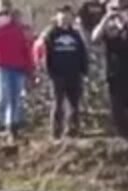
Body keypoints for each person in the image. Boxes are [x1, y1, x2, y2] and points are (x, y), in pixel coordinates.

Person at [92, 0, 128, 138]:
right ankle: (123, 135)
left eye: (119, 8)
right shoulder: (108, 28)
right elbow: (94, 37)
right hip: (113, 73)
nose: (117, 11)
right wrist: (105, 19)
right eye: (114, 8)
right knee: (116, 107)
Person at [0, 2, 33, 138]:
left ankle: (12, 124)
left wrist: (29, 69)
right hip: (0, 65)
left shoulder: (17, 28)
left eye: (7, 13)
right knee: (4, 94)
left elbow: (25, 49)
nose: (4, 16)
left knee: (15, 97)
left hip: (18, 67)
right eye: (2, 13)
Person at [41, 5, 88, 139]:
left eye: (68, 16)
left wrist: (84, 70)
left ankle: (73, 130)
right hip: (57, 73)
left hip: (74, 73)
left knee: (74, 104)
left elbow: (82, 53)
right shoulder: (52, 34)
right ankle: (56, 131)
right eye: (62, 15)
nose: (65, 18)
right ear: (57, 17)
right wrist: (49, 71)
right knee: (58, 103)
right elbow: (47, 55)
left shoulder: (75, 34)